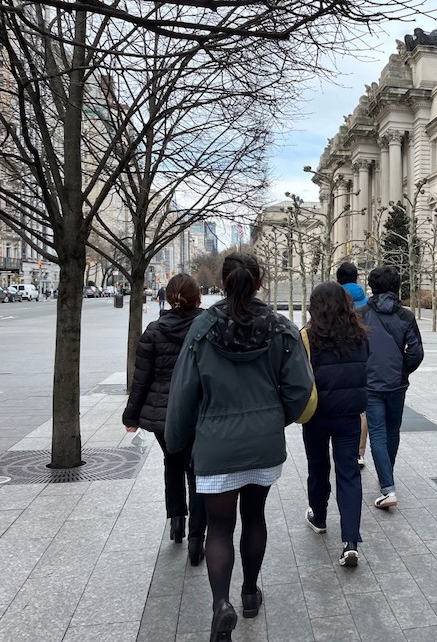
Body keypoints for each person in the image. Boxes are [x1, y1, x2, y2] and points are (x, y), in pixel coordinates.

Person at [166, 253, 314, 642]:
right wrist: (272, 418)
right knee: (254, 516)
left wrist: (177, 441)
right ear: (259, 283)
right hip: (262, 444)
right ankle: (249, 593)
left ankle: (221, 605)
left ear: (223, 282)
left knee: (219, 527)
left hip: (215, 446)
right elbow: (301, 390)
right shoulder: (282, 329)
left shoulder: (201, 329)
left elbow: (183, 392)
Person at [123, 274, 207, 565]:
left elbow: (141, 380)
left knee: (173, 462)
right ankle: (198, 536)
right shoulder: (208, 327)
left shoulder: (154, 331)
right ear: (198, 298)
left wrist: (131, 416)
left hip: (164, 414)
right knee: (197, 471)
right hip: (198, 411)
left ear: (169, 298)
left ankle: (176, 521)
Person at [302, 282, 369, 567]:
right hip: (350, 415)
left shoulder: (306, 336)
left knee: (318, 467)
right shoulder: (360, 335)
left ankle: (319, 516)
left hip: (316, 415)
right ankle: (350, 541)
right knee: (349, 474)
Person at [359, 266, 424, 510]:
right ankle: (387, 476)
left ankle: (388, 487)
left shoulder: (361, 314)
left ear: (372, 288)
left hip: (371, 383)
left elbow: (353, 349)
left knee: (377, 432)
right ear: (397, 287)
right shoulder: (405, 316)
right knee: (392, 430)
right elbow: (416, 351)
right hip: (397, 383)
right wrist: (403, 369)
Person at [336, 261, 369, 468]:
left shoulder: (332, 300)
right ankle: (358, 453)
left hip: (337, 360)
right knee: (361, 410)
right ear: (357, 278)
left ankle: (339, 447)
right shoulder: (366, 301)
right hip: (362, 360)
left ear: (338, 279)